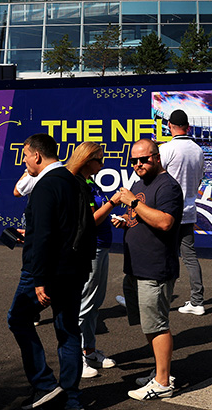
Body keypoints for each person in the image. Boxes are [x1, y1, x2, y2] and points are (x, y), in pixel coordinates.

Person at [7, 133, 92, 410]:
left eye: (25, 155)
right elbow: (79, 228)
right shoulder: (76, 181)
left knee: (18, 319)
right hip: (74, 270)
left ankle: (45, 384)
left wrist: (40, 279)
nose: (24, 161)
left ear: (37, 156)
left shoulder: (45, 186)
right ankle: (71, 398)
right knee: (68, 331)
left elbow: (44, 236)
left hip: (43, 271)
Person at [112, 138, 183, 401]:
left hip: (155, 268)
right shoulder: (140, 183)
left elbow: (165, 222)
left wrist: (132, 204)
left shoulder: (168, 186)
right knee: (148, 325)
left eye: (144, 159)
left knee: (157, 326)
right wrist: (127, 220)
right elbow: (141, 215)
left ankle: (163, 382)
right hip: (136, 267)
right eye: (134, 161)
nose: (138, 164)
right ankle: (158, 372)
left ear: (157, 157)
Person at [68, 142, 118, 379]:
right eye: (99, 159)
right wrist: (113, 203)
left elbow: (98, 215)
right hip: (90, 249)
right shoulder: (78, 183)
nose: (103, 163)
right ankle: (77, 356)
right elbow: (90, 220)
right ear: (87, 160)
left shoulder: (90, 182)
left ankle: (89, 350)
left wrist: (112, 213)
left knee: (95, 302)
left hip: (101, 247)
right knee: (85, 303)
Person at [161, 109, 207, 315]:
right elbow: (198, 181)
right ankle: (197, 301)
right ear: (187, 127)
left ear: (170, 125)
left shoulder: (167, 148)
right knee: (189, 256)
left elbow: (153, 179)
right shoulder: (198, 150)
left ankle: (151, 299)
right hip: (188, 209)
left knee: (158, 254)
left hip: (167, 211)